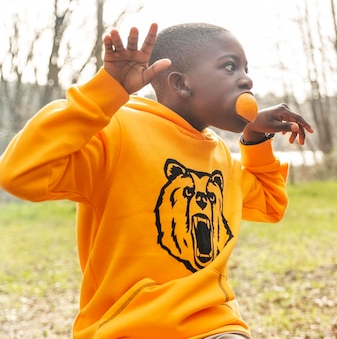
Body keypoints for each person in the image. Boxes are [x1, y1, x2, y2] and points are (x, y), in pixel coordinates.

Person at [0, 22, 313, 339]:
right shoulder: (118, 130)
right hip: (125, 328)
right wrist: (106, 90)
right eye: (230, 67)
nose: (247, 79)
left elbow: (270, 205)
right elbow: (20, 172)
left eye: (246, 68)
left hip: (215, 326)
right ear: (181, 84)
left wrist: (255, 139)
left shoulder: (219, 155)